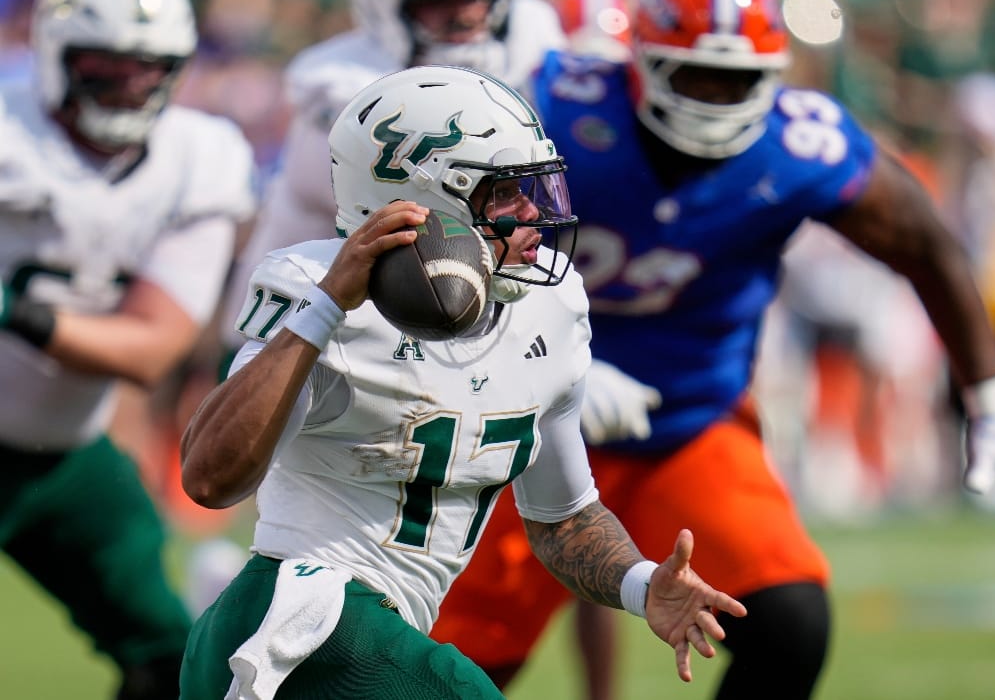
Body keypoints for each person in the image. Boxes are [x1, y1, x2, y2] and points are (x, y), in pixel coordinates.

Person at [428, 0, 995, 698]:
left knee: (789, 623)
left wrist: (993, 406)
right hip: (528, 432)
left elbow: (927, 246)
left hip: (688, 428)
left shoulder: (799, 146)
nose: (715, 99)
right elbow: (446, 259)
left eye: (736, 80)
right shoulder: (553, 111)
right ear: (642, 61)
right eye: (695, 76)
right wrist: (542, 365)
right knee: (451, 673)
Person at [179, 64, 747, 700]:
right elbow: (209, 478)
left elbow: (562, 519)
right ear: (424, 204)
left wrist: (642, 586)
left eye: (534, 187)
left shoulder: (551, 305)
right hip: (299, 621)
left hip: (378, 636)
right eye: (504, 194)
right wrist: (324, 308)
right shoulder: (318, 295)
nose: (534, 213)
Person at [0, 0, 256, 697]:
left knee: (167, 658)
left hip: (65, 454)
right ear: (56, 57)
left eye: (148, 67)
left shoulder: (199, 157)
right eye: (104, 66)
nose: (128, 84)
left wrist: (14, 311)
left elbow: (150, 350)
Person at [216, 0, 567, 376]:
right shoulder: (344, 88)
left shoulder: (534, 47)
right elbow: (425, 226)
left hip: (465, 316)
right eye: (439, 1)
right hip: (318, 328)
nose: (467, 13)